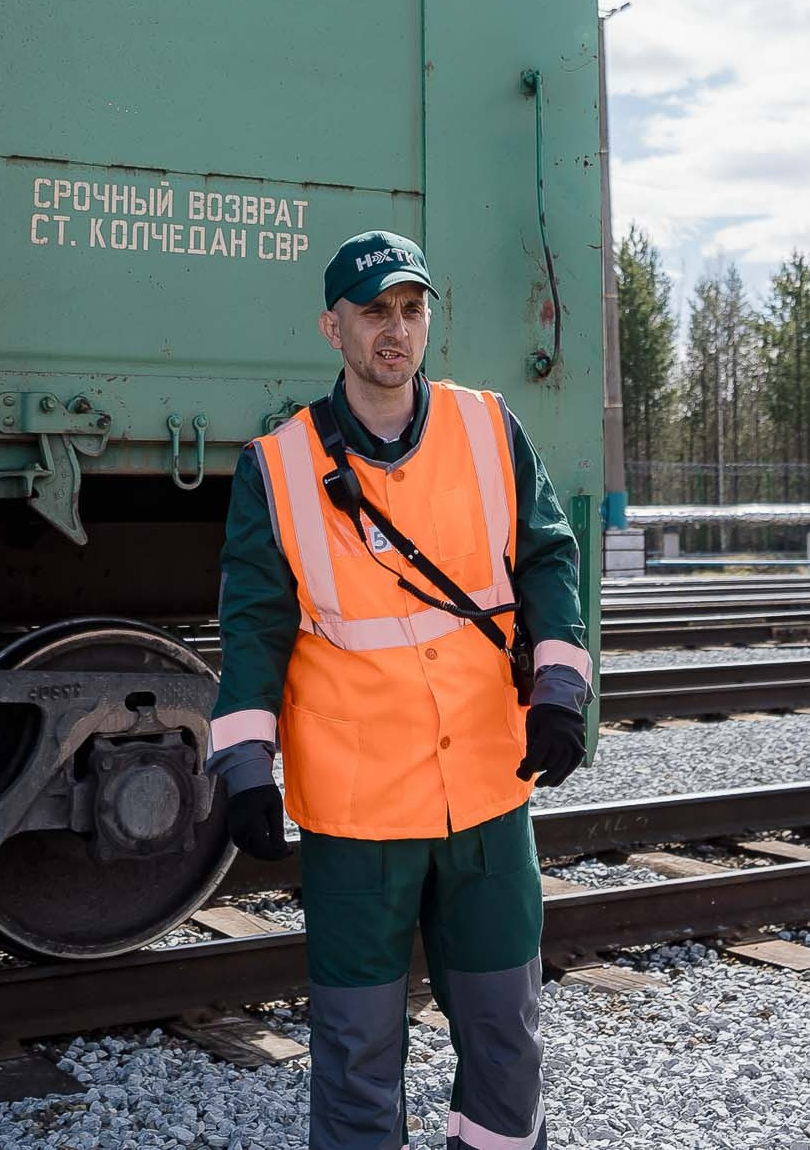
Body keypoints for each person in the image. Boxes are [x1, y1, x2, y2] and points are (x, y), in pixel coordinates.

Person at [207, 230, 591, 1150]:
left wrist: (562, 690)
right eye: (375, 311)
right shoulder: (279, 466)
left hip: (487, 794)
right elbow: (252, 628)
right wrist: (244, 764)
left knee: (505, 1036)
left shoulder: (489, 426)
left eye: (412, 309)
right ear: (331, 325)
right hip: (359, 809)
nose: (396, 329)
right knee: (355, 1050)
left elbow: (547, 558)